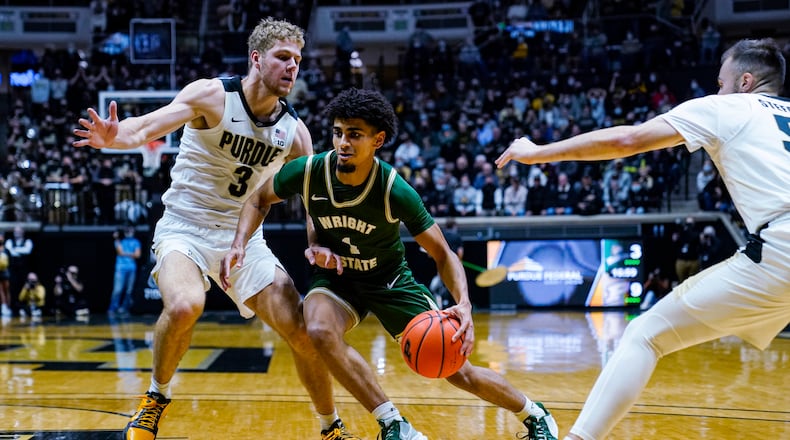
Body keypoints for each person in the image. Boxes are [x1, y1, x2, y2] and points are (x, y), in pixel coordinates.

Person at [72, 18, 355, 440]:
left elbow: (310, 200)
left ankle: (330, 426)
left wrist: (316, 245)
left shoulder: (295, 133)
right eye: (282, 57)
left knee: (302, 331)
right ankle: (155, 398)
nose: (292, 67)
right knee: (185, 306)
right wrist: (115, 136)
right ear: (256, 59)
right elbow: (148, 126)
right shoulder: (212, 96)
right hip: (185, 227)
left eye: (297, 60)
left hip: (243, 239)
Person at [221, 88, 559, 440]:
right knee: (318, 331)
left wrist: (463, 304)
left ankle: (534, 413)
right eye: (338, 133)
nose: (343, 143)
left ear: (377, 140)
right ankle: (393, 424)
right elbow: (259, 198)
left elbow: (443, 253)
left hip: (389, 280)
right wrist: (239, 244)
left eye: (355, 135)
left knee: (456, 370)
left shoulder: (394, 190)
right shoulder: (308, 171)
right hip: (337, 279)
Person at [496, 38, 790, 440]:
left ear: (745, 81)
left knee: (644, 334)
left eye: (720, 82)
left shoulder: (727, 107)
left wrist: (537, 152)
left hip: (781, 246)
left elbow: (627, 141)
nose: (716, 89)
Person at [108, 226, 141, 316]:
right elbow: (120, 252)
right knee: (117, 289)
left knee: (129, 290)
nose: (129, 232)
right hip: (120, 268)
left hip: (132, 268)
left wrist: (126, 254)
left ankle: (124, 308)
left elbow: (137, 255)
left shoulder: (136, 242)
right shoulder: (119, 241)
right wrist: (131, 254)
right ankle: (113, 307)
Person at [0, 242, 10, 318]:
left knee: (6, 290)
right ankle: (3, 307)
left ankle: (8, 306)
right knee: (1, 290)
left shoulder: (6, 250)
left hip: (4, 271)